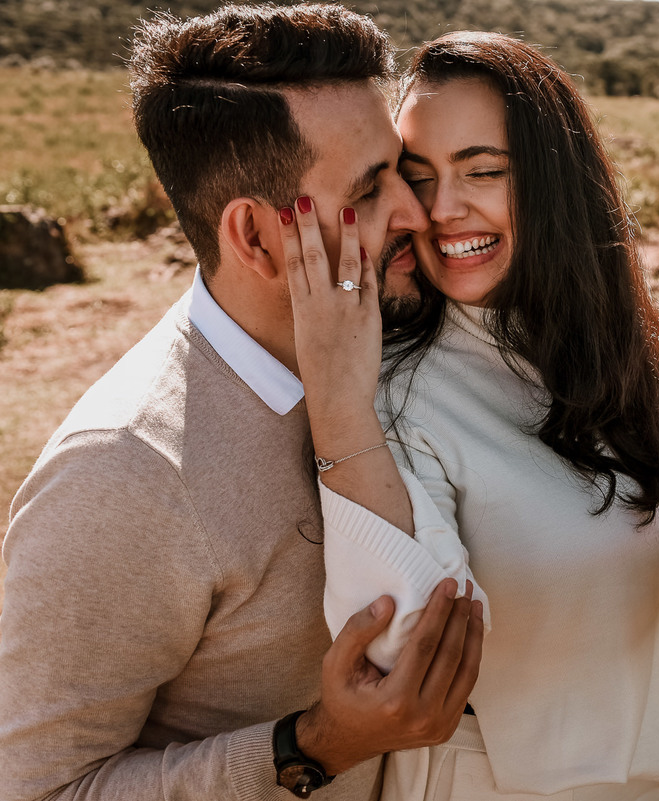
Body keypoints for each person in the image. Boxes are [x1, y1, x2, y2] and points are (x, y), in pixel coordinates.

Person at [285, 30, 659, 801]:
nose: (440, 209)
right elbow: (406, 651)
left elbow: (634, 512)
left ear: (555, 181)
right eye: (420, 175)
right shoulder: (401, 394)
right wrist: (341, 410)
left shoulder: (613, 348)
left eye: (483, 171)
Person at [0, 6, 486, 799]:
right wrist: (316, 745)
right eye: (368, 190)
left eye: (400, 170)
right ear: (257, 238)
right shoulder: (122, 474)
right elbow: (42, 789)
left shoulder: (399, 337)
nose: (414, 213)